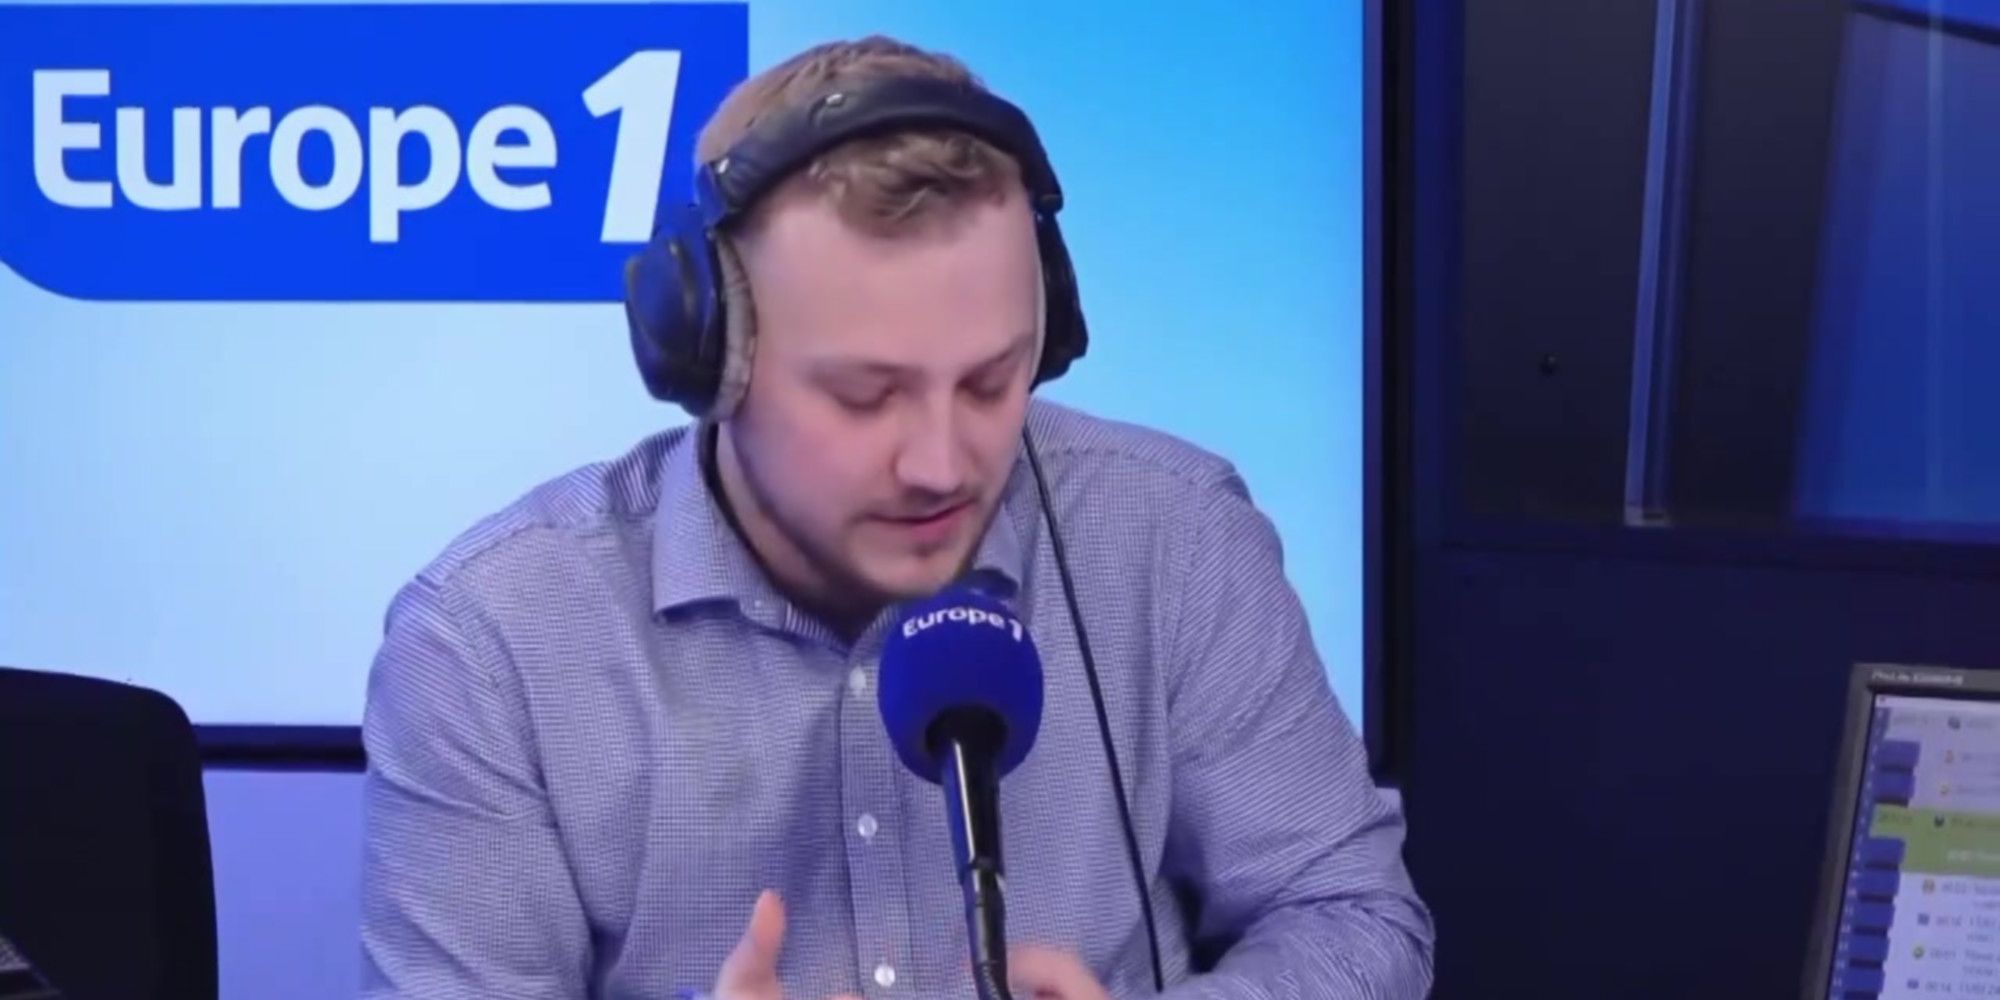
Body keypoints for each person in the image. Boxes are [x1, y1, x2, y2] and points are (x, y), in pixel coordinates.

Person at [358, 34, 1434, 1000]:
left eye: (991, 382)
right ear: (712, 360)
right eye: (865, 396)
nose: (940, 463)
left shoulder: (1175, 538)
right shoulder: (491, 647)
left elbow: (1354, 919)